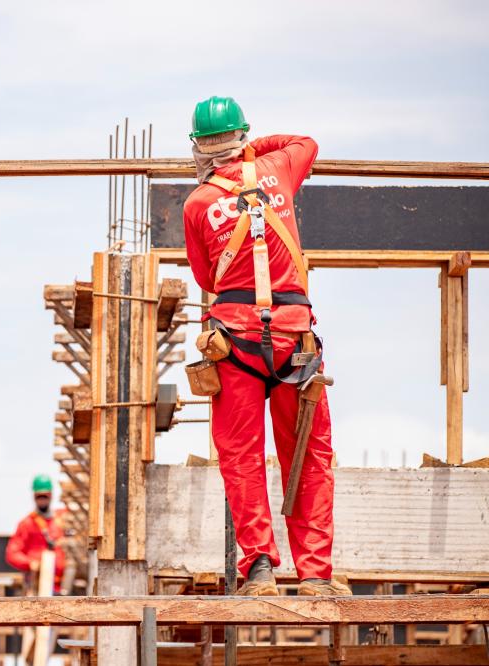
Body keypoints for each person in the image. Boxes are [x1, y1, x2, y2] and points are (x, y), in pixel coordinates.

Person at [182, 96, 350, 597]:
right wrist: (258, 149)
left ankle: (259, 569)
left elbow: (204, 275)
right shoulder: (277, 167)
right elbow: (308, 142)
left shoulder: (196, 205)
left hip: (235, 342)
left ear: (199, 147)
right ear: (243, 136)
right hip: (295, 340)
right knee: (310, 454)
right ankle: (315, 573)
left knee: (242, 456)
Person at [5, 474, 66, 594]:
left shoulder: (62, 519)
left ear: (51, 495)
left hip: (63, 585)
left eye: (45, 496)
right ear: (34, 496)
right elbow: (12, 553)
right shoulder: (27, 524)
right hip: (38, 585)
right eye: (39, 496)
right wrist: (30, 563)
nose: (42, 499)